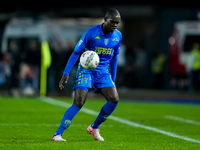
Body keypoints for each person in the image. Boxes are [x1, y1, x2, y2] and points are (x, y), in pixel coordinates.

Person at [51, 9, 122, 142]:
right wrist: (66, 73)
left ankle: (94, 127)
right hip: (86, 70)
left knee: (114, 99)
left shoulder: (118, 36)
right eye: (112, 22)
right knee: (79, 101)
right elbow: (76, 52)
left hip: (103, 72)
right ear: (105, 19)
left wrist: (113, 77)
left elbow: (115, 57)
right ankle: (58, 134)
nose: (115, 25)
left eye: (117, 23)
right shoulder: (91, 33)